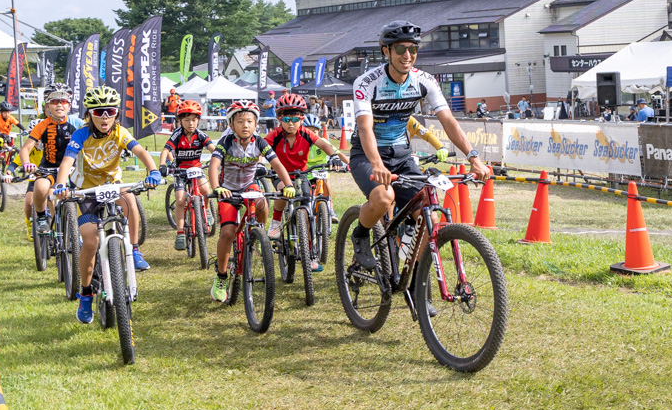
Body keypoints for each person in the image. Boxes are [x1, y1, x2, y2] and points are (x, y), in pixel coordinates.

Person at [348, 21, 490, 273]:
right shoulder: (367, 82)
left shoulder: (424, 80)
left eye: (413, 49)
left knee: (429, 217)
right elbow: (365, 127)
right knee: (383, 197)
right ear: (386, 51)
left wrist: (473, 157)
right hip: (368, 155)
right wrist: (378, 164)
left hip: (402, 155)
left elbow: (448, 120)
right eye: (400, 49)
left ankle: (413, 279)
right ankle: (360, 234)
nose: (407, 55)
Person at [54, 87, 161, 324]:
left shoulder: (121, 132)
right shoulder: (80, 135)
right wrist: (61, 185)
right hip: (87, 191)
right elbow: (67, 162)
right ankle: (85, 294)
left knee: (130, 199)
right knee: (90, 241)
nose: (104, 117)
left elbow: (140, 151)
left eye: (110, 111)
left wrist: (153, 170)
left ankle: (133, 249)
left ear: (117, 113)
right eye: (98, 111)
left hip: (112, 186)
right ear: (89, 114)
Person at [207, 100, 295, 302]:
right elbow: (213, 166)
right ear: (231, 125)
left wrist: (288, 184)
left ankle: (258, 233)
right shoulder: (226, 142)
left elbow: (277, 164)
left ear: (256, 125)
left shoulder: (260, 142)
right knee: (228, 232)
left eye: (249, 121)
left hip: (248, 187)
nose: (245, 125)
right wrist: (216, 188)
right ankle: (221, 276)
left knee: (262, 199)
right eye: (239, 121)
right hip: (228, 191)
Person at [262, 93, 343, 270]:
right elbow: (260, 149)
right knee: (284, 189)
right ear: (279, 119)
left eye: (295, 118)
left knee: (306, 214)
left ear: (302, 119)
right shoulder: (274, 135)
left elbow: (322, 143)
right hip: (282, 175)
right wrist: (256, 163)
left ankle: (310, 255)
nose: (291, 123)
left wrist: (334, 156)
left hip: (301, 175)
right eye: (286, 118)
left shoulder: (306, 134)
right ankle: (275, 222)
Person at [20, 86, 83, 240]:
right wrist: (27, 163)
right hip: (49, 167)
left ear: (69, 105)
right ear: (47, 106)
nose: (59, 105)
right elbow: (25, 149)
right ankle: (42, 218)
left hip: (73, 169)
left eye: (63, 101)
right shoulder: (41, 125)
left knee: (84, 197)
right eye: (54, 101)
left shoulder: (78, 126)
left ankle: (79, 231)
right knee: (40, 188)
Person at [159, 100, 217, 252]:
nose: (191, 123)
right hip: (181, 172)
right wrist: (162, 165)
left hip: (197, 169)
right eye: (186, 120)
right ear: (179, 121)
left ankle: (208, 211)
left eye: (194, 120)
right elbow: (165, 151)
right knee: (180, 200)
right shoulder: (177, 135)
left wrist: (219, 159)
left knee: (206, 191)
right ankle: (179, 233)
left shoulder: (201, 135)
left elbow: (213, 149)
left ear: (198, 120)